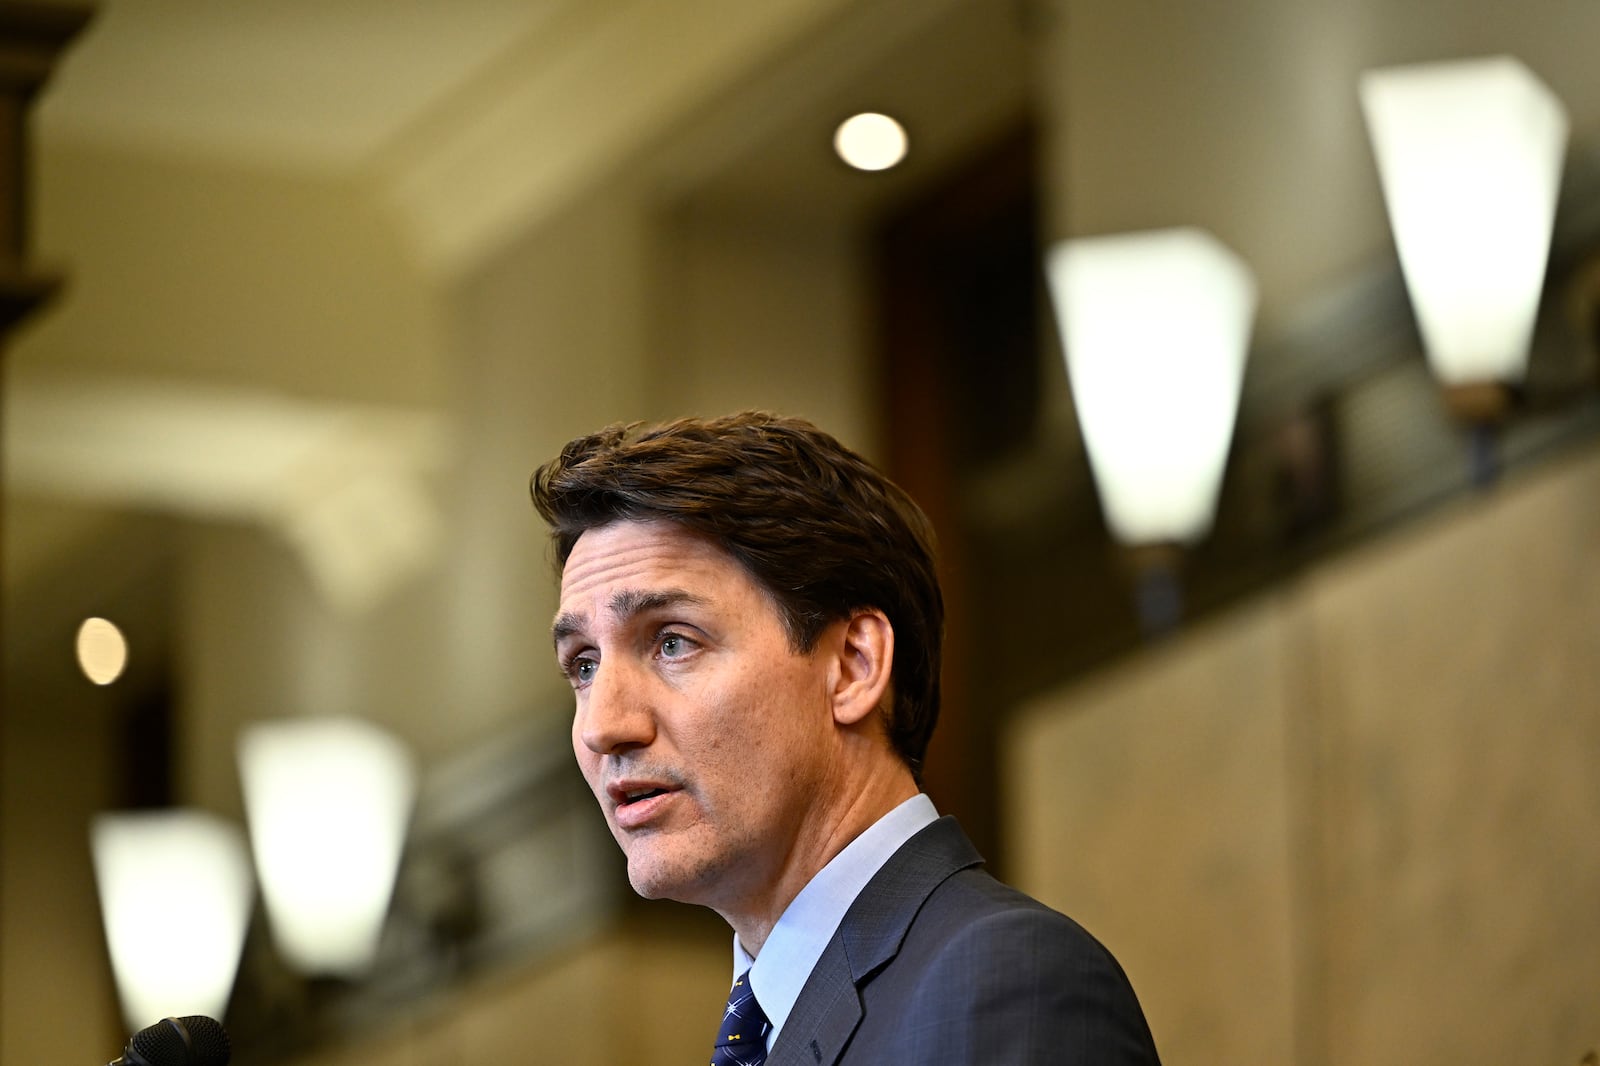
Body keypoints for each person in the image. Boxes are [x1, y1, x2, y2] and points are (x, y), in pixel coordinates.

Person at [530, 411, 1160, 1065]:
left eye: (672, 642)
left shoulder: (1006, 982)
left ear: (854, 666)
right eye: (583, 664)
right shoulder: (774, 1025)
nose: (604, 725)